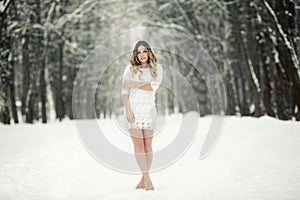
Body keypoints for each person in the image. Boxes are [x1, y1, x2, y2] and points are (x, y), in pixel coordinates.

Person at [121, 40, 163, 190]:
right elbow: (124, 91)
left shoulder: (157, 69)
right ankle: (148, 179)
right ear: (135, 54)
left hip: (149, 110)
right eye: (138, 52)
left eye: (144, 51)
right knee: (138, 145)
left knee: (148, 146)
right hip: (134, 110)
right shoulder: (129, 69)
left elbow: (152, 87)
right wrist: (128, 110)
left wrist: (133, 83)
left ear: (149, 52)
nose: (142, 54)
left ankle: (143, 178)